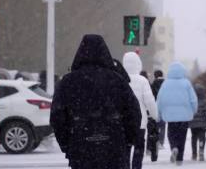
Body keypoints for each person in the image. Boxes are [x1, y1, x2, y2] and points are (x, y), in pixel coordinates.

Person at [50, 35, 141, 169]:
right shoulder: (117, 80)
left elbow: (57, 117)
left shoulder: (68, 82)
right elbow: (134, 113)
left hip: (81, 148)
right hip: (114, 147)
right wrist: (126, 140)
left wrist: (67, 144)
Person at [156, 62, 197, 166]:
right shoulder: (186, 83)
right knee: (182, 137)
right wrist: (193, 110)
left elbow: (159, 99)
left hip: (170, 115)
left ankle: (174, 147)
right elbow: (193, 100)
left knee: (171, 134)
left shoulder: (165, 83)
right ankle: (179, 159)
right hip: (184, 115)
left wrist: (159, 113)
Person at [123, 52, 159, 169]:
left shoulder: (120, 79)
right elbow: (149, 101)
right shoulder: (142, 80)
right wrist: (154, 115)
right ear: (138, 64)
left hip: (124, 122)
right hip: (140, 121)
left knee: (125, 148)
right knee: (139, 147)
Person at [189, 84, 206, 161]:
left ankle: (194, 154)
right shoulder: (204, 102)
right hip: (202, 123)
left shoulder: (191, 102)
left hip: (193, 123)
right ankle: (201, 149)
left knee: (194, 137)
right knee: (202, 137)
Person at [151, 70, 166, 146]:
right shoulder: (165, 83)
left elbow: (152, 95)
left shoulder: (153, 83)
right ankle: (161, 141)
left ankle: (156, 140)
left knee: (156, 124)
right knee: (163, 125)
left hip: (155, 105)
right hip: (164, 105)